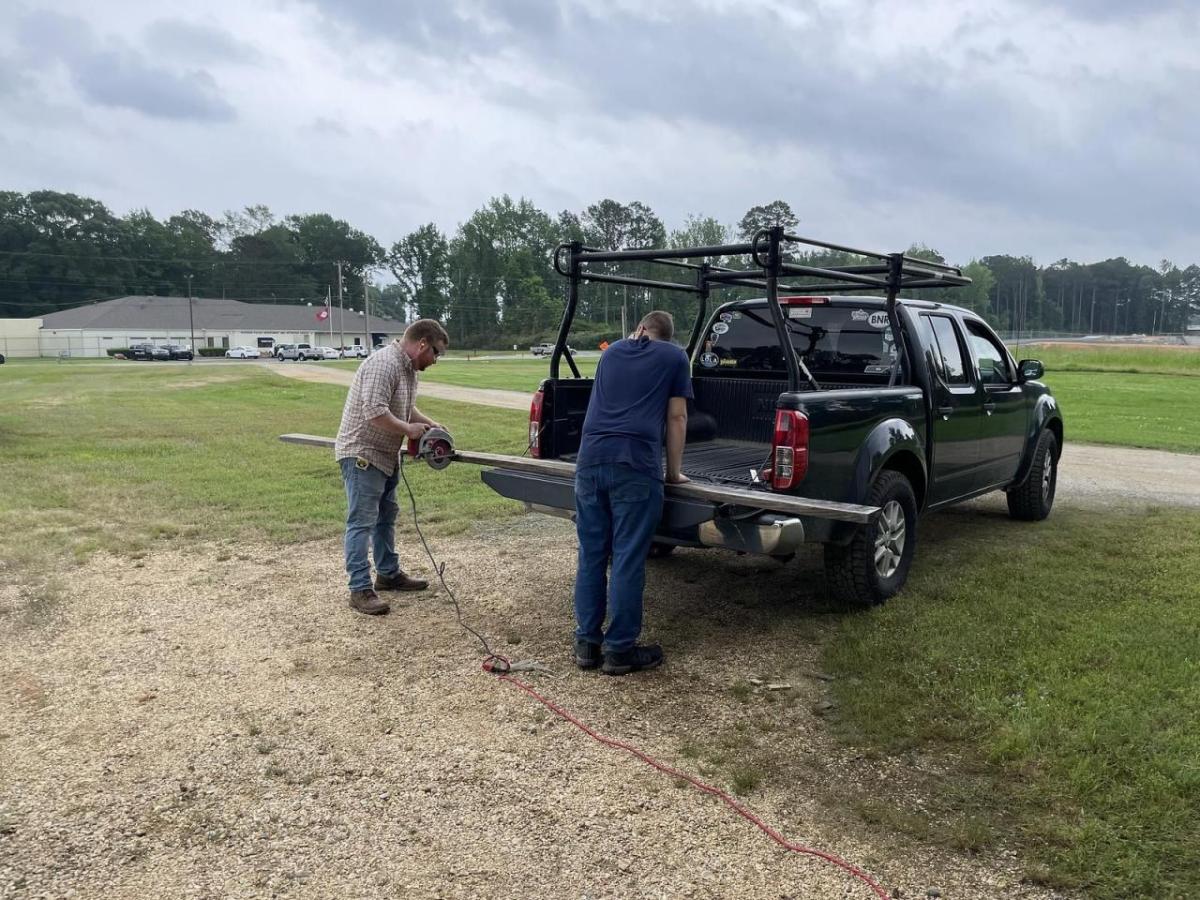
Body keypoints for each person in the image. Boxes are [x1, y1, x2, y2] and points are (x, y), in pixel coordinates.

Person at [572, 311, 692, 675]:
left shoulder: (611, 353)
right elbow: (677, 417)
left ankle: (587, 644)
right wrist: (672, 472)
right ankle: (620, 650)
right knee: (626, 557)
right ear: (668, 336)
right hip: (635, 466)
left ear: (639, 329)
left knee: (592, 554)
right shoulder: (674, 356)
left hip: (590, 461)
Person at [334, 318, 450, 615]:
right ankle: (359, 589)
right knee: (361, 522)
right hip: (363, 453)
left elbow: (404, 406)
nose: (436, 360)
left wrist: (429, 424)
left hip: (386, 455)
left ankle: (387, 574)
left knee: (386, 516)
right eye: (436, 352)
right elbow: (374, 412)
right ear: (422, 343)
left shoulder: (409, 369)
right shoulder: (383, 364)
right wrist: (408, 430)